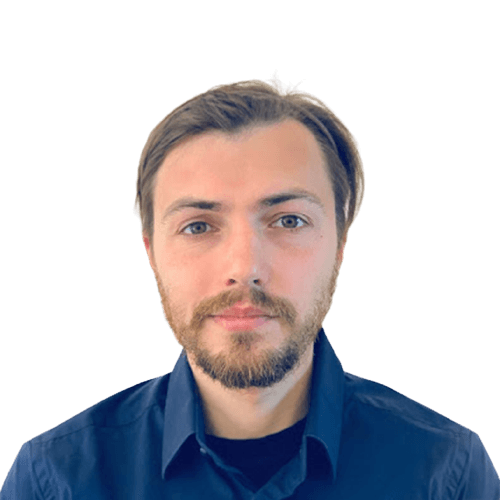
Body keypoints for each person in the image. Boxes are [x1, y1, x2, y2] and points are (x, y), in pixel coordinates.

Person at [2, 70, 498, 499]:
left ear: (340, 244)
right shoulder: (57, 480)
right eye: (198, 226)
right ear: (151, 253)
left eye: (288, 221)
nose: (245, 267)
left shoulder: (444, 472)